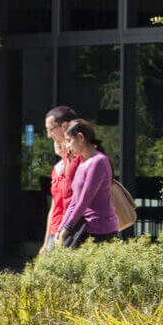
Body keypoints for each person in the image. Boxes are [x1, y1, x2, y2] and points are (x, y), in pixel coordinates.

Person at [56, 118, 120, 248]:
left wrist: (66, 230)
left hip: (100, 231)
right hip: (84, 228)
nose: (67, 146)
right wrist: (60, 229)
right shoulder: (82, 163)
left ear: (80, 137)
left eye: (69, 141)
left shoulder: (99, 161)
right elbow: (74, 202)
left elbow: (84, 200)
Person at [39, 104, 80, 254]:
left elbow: (78, 201)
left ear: (64, 127)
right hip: (54, 235)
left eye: (50, 129)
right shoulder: (57, 168)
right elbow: (54, 207)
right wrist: (45, 244)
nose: (49, 135)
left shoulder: (83, 164)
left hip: (72, 234)